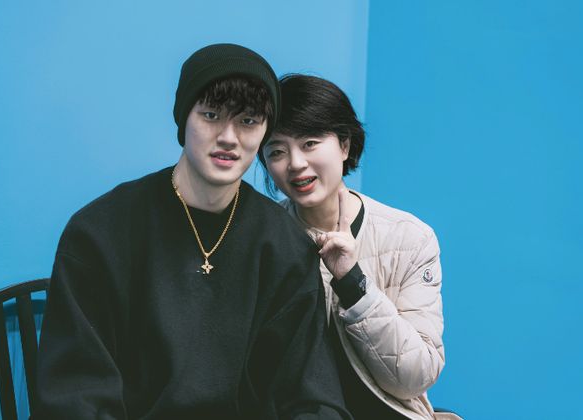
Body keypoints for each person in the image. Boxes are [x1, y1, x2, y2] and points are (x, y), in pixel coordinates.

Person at [33, 45, 351, 419]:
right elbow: (74, 395)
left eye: (248, 121)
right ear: (183, 119)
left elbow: (311, 394)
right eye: (211, 115)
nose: (229, 137)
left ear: (264, 132)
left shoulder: (284, 245)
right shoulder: (101, 230)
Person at [259, 74, 447, 420]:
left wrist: (353, 282)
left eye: (310, 143)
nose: (296, 163)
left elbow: (417, 375)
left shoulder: (408, 238)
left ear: (344, 145)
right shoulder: (261, 239)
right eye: (277, 151)